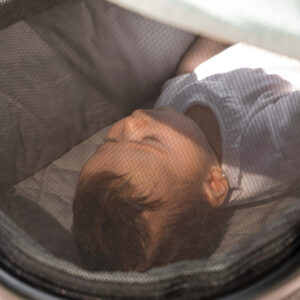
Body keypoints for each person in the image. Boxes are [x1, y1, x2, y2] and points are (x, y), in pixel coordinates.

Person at [72, 37, 300, 272]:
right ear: (214, 184)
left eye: (111, 140)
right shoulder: (264, 147)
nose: (132, 122)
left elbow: (191, 73)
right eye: (151, 140)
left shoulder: (168, 116)